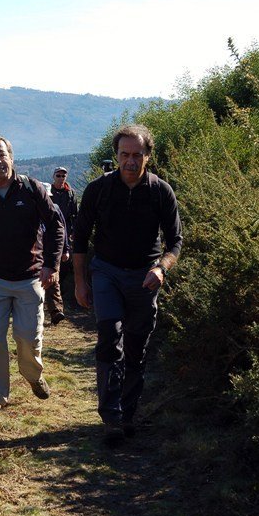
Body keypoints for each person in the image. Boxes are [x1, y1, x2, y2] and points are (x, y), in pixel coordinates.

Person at [73, 124, 182, 443]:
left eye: (137, 155)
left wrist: (161, 268)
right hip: (106, 272)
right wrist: (80, 282)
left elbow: (175, 241)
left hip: (145, 276)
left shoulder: (161, 191)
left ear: (148, 156)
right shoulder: (98, 190)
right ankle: (111, 417)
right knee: (110, 336)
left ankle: (128, 413)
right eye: (124, 154)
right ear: (116, 155)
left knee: (136, 345)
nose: (130, 161)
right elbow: (80, 238)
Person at [0, 134, 64, 414]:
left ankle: (33, 375)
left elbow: (56, 226)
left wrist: (51, 265)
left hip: (31, 278)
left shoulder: (31, 189)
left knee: (27, 338)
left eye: (2, 154)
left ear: (12, 157)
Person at [42, 182, 70, 325]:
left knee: (53, 279)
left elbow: (62, 231)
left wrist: (65, 249)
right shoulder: (31, 208)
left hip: (53, 250)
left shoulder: (56, 208)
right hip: (37, 251)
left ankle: (56, 311)